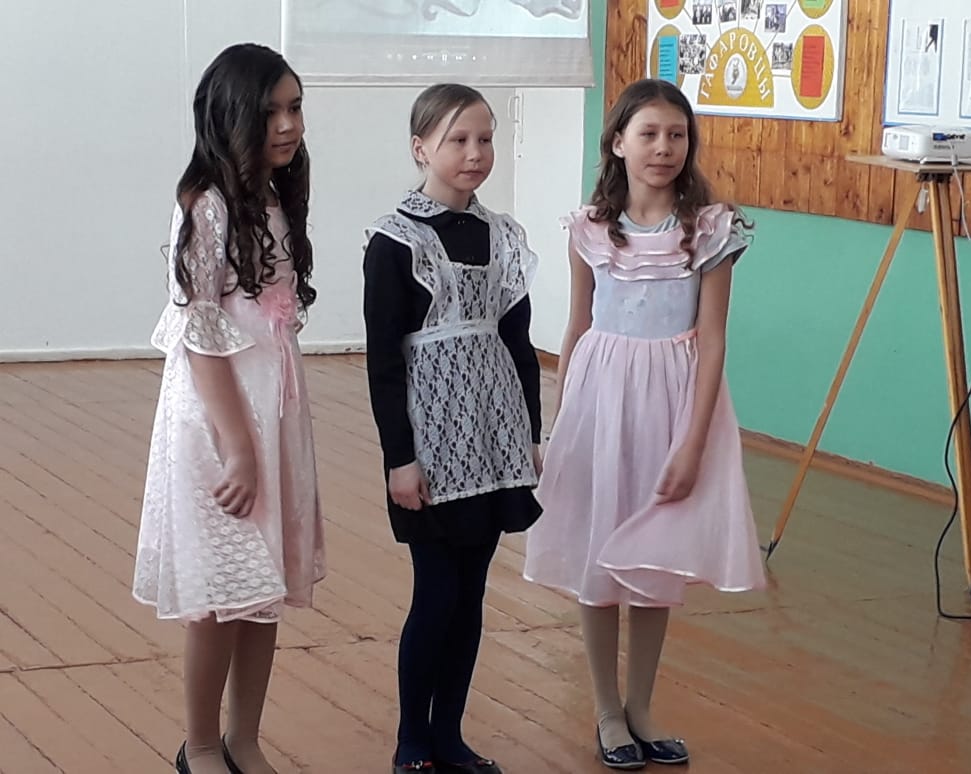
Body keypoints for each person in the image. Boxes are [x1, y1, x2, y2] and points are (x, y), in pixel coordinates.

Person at [523, 78, 766, 770]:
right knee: (599, 552)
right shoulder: (589, 230)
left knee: (656, 553)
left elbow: (713, 340)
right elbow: (577, 326)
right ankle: (607, 708)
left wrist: (693, 442)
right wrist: (561, 424)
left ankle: (642, 705)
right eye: (649, 133)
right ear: (618, 143)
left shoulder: (710, 230)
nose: (664, 147)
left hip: (672, 403)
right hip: (601, 400)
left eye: (677, 135)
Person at [132, 43, 325, 774]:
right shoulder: (206, 206)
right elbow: (199, 334)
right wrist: (238, 444)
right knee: (217, 593)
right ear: (230, 117)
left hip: (272, 411)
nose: (288, 123)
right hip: (219, 424)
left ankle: (244, 739)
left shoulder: (274, 199)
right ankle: (202, 744)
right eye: (271, 110)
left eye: (295, 107)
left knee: (261, 588)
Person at [362, 83, 543, 774]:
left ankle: (450, 735)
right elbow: (383, 362)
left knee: (471, 595)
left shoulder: (503, 236)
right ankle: (412, 738)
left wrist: (530, 434)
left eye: (485, 138)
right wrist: (398, 458)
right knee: (436, 592)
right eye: (457, 140)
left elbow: (519, 346)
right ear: (421, 148)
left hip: (493, 442)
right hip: (431, 447)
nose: (474, 153)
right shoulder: (394, 241)